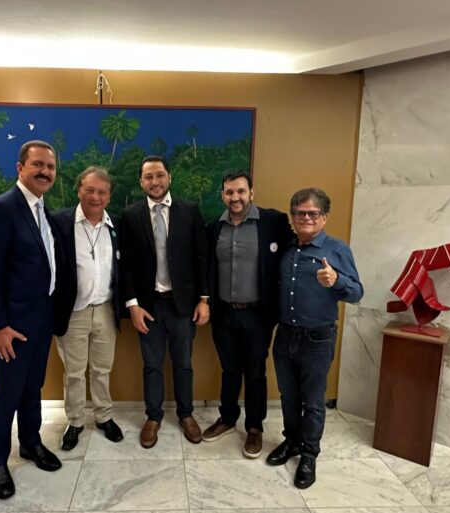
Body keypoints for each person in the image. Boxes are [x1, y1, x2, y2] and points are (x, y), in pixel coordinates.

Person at [0, 140, 63, 500]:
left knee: (32, 387)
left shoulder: (42, 210)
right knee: (8, 392)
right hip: (13, 325)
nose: (45, 172)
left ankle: (30, 442)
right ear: (20, 168)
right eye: (38, 165)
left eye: (50, 167)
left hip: (41, 320)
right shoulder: (2, 209)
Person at [267, 187, 363, 489]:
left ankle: (309, 455)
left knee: (313, 401)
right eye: (299, 213)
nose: (305, 218)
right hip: (285, 335)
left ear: (324, 217)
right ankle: (292, 441)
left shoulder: (336, 250)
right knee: (288, 396)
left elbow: (357, 292)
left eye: (312, 213)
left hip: (318, 339)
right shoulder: (287, 248)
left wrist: (337, 280)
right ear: (293, 217)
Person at [202, 170, 294, 458]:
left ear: (251, 193)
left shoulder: (273, 222)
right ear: (223, 195)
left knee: (255, 372)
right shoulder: (213, 228)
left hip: (258, 314)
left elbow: (296, 251)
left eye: (241, 191)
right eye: (229, 192)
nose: (235, 197)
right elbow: (206, 268)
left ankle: (254, 427)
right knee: (229, 369)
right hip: (223, 314)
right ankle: (228, 419)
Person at [119, 155, 210, 448]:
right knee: (152, 365)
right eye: (148, 177)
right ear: (141, 182)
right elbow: (126, 265)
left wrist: (204, 299)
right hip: (148, 306)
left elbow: (202, 258)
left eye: (159, 175)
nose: (155, 181)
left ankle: (186, 414)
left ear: (169, 177)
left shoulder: (189, 211)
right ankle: (153, 417)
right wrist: (132, 305)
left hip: (183, 305)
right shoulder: (130, 215)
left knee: (183, 363)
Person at [51, 167, 124, 450]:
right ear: (79, 189)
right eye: (90, 190)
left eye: (102, 192)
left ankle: (104, 416)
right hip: (73, 312)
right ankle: (75, 421)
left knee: (102, 369)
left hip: (106, 310)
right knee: (73, 372)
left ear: (109, 196)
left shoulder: (116, 225)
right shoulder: (59, 222)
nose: (95, 197)